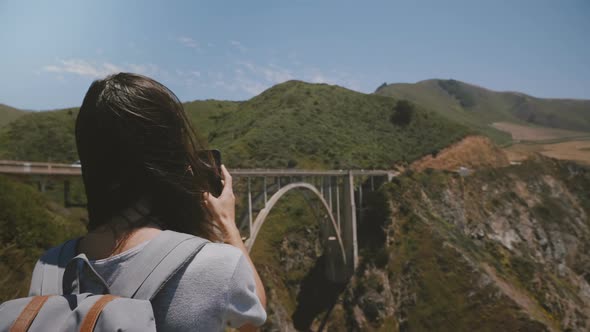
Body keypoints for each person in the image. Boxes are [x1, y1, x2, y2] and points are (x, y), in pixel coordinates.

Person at [30, 72, 266, 331]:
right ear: (173, 156)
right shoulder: (215, 266)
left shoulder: (48, 270)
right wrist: (227, 224)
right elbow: (254, 315)